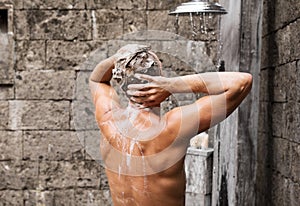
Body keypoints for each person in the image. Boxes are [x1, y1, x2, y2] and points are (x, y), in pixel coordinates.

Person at [89, 44, 252, 206]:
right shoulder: (171, 128)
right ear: (158, 80)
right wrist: (172, 85)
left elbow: (96, 80)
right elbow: (241, 82)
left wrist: (119, 58)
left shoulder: (108, 119)